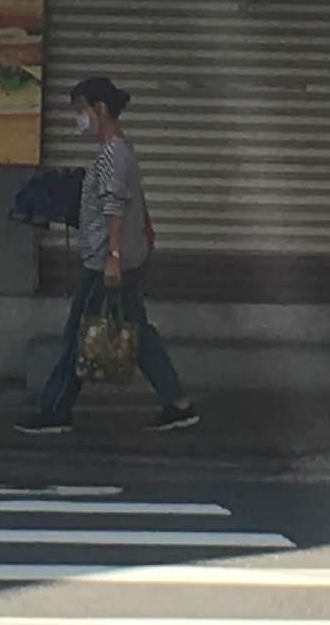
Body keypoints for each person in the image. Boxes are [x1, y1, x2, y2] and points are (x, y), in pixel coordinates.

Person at [20, 75, 199, 437]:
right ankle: (179, 404)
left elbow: (115, 206)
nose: (79, 118)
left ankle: (55, 410)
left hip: (107, 262)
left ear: (99, 109)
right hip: (124, 258)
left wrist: (113, 257)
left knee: (77, 333)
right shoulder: (120, 150)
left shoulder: (113, 155)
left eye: (81, 110)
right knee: (138, 333)